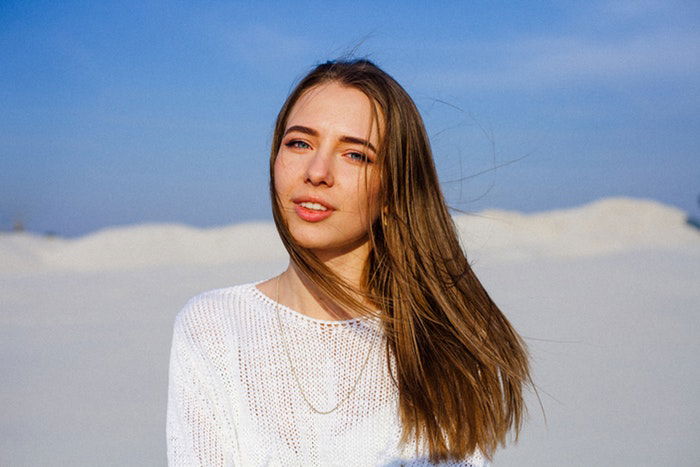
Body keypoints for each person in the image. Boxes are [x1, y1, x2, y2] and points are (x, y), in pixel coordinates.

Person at [166, 59, 532, 466]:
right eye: (299, 143)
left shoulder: (439, 346)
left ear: (394, 187)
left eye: (355, 155)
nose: (317, 172)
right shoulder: (215, 326)